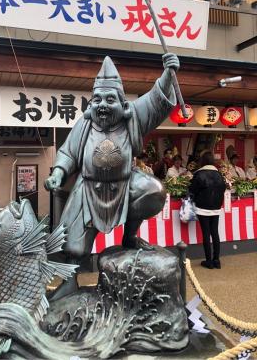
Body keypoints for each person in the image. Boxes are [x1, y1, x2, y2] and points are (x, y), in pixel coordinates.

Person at [45, 53, 179, 300]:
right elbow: (68, 152)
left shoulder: (132, 117)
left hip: (125, 185)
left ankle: (130, 237)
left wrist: (168, 74)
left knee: (152, 190)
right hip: (88, 189)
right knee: (72, 241)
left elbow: (155, 100)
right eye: (97, 100)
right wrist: (58, 173)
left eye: (109, 99)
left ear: (123, 104)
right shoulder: (84, 124)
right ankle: (69, 280)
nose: (102, 105)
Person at [189, 151, 226, 269]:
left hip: (202, 207)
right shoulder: (219, 174)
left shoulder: (199, 174)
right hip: (216, 207)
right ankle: (217, 260)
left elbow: (192, 189)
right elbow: (223, 188)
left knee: (206, 233)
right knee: (215, 232)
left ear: (203, 161)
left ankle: (208, 261)